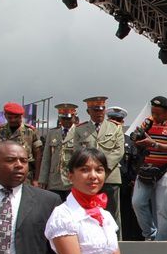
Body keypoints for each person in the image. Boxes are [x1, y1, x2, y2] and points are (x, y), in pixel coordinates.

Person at [131, 96, 167, 241]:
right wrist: (138, 140)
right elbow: (136, 140)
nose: (155, 116)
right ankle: (150, 235)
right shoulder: (148, 121)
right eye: (153, 112)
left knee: (163, 209)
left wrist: (154, 144)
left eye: (158, 113)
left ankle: (163, 242)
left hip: (166, 169)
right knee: (137, 202)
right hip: (146, 168)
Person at [73, 96, 125, 231]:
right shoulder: (79, 130)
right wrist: (92, 169)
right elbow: (78, 153)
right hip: (89, 179)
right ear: (88, 111)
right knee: (88, 212)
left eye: (102, 109)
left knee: (113, 213)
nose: (99, 113)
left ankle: (117, 244)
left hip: (110, 176)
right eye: (95, 110)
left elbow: (119, 151)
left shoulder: (115, 128)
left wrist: (101, 168)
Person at [107, 106, 143, 242]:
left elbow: (135, 162)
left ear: (122, 122)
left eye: (118, 120)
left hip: (126, 185)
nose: (115, 123)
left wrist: (134, 180)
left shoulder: (129, 141)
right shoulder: (102, 140)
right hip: (108, 181)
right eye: (112, 120)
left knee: (126, 215)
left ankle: (125, 241)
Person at [0, 102, 43, 185]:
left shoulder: (30, 131)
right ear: (5, 116)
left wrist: (36, 179)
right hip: (4, 174)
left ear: (21, 116)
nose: (13, 120)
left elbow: (38, 156)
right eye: (10, 118)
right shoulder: (0, 131)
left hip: (25, 175)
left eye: (16, 117)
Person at [39, 103, 78, 200]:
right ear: (59, 118)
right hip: (54, 180)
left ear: (74, 117)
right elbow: (46, 158)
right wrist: (43, 179)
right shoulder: (52, 133)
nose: (66, 121)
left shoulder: (79, 132)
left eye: (68, 118)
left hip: (72, 180)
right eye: (63, 118)